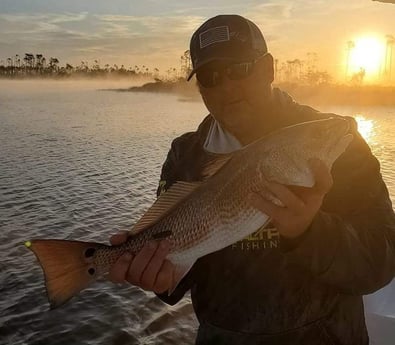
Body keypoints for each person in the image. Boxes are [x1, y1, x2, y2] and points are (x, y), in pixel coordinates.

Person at [108, 14, 395, 345]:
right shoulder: (185, 156)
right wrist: (158, 278)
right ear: (199, 85)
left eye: (240, 68)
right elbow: (178, 277)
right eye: (210, 75)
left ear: (269, 69)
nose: (227, 86)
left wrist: (311, 232)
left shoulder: (330, 141)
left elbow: (381, 261)